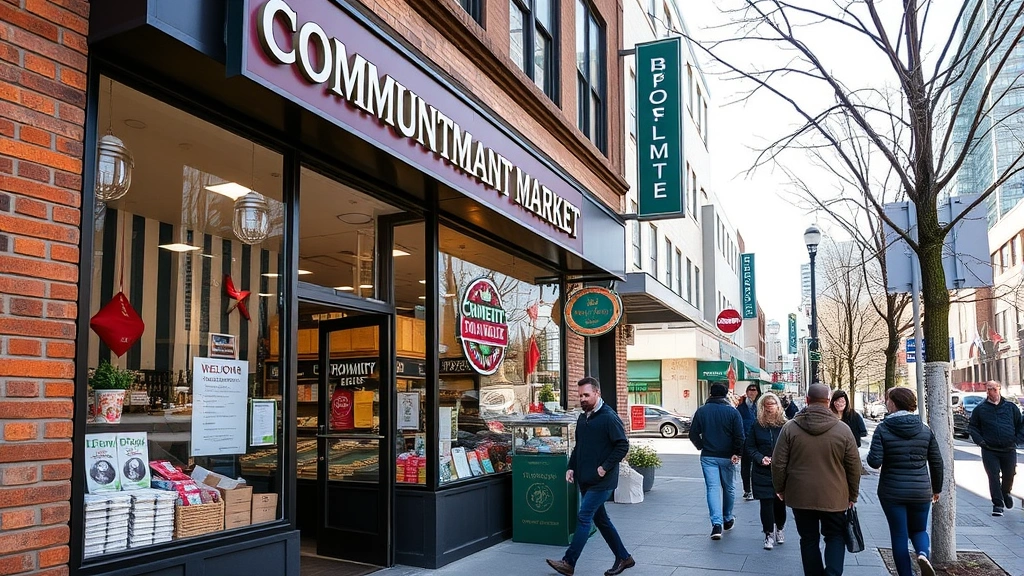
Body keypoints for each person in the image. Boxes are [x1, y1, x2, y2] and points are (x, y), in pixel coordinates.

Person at [546, 378, 634, 576]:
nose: (582, 399)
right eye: (580, 396)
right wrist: (571, 467)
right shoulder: (583, 417)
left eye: (586, 395)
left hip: (603, 481)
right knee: (601, 520)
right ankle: (624, 557)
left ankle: (568, 562)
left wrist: (604, 467)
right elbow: (580, 447)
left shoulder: (609, 418)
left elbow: (622, 445)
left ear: (597, 393)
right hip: (585, 479)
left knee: (584, 516)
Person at [772, 383, 861, 576]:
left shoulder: (790, 428)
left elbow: (778, 463)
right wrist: (852, 494)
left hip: (800, 495)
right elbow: (854, 467)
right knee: (835, 536)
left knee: (808, 539)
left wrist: (780, 488)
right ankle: (832, 573)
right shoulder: (843, 430)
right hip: (835, 496)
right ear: (828, 402)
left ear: (807, 400)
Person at [867, 387, 942, 576]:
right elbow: (936, 462)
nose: (886, 403)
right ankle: (923, 554)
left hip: (892, 491)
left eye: (887, 400)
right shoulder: (925, 429)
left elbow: (874, 462)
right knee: (919, 530)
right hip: (920, 490)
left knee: (899, 535)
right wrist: (936, 489)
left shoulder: (883, 429)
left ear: (893, 403)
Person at [690, 382, 746, 540]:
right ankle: (727, 517)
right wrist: (737, 453)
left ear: (710, 393)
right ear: (726, 394)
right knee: (729, 488)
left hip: (708, 456)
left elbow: (693, 434)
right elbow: (740, 436)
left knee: (712, 489)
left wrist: (702, 446)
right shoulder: (732, 412)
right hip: (728, 456)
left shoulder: (701, 411)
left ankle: (716, 524)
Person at [968, 380, 1024, 516]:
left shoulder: (1010, 407)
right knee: (993, 476)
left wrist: (1016, 440)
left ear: (999, 389)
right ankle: (998, 505)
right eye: (988, 389)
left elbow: (1020, 425)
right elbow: (972, 427)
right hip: (989, 449)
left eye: (993, 388)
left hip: (1008, 448)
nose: (990, 391)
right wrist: (981, 441)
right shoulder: (980, 409)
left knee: (1009, 474)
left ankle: (1006, 492)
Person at [745, 392, 788, 550]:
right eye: (767, 406)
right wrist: (760, 458)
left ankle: (780, 528)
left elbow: (791, 446)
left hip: (781, 471)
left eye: (773, 405)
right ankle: (768, 533)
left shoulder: (785, 425)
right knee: (766, 504)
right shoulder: (757, 425)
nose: (770, 409)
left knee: (780, 504)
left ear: (778, 406)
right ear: (762, 408)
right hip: (762, 471)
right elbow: (749, 447)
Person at [736, 383, 762, 500]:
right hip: (746, 440)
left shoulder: (761, 406)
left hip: (759, 440)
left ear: (758, 392)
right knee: (746, 466)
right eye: (749, 390)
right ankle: (747, 490)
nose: (752, 392)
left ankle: (756, 488)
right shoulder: (741, 407)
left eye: (754, 390)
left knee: (758, 464)